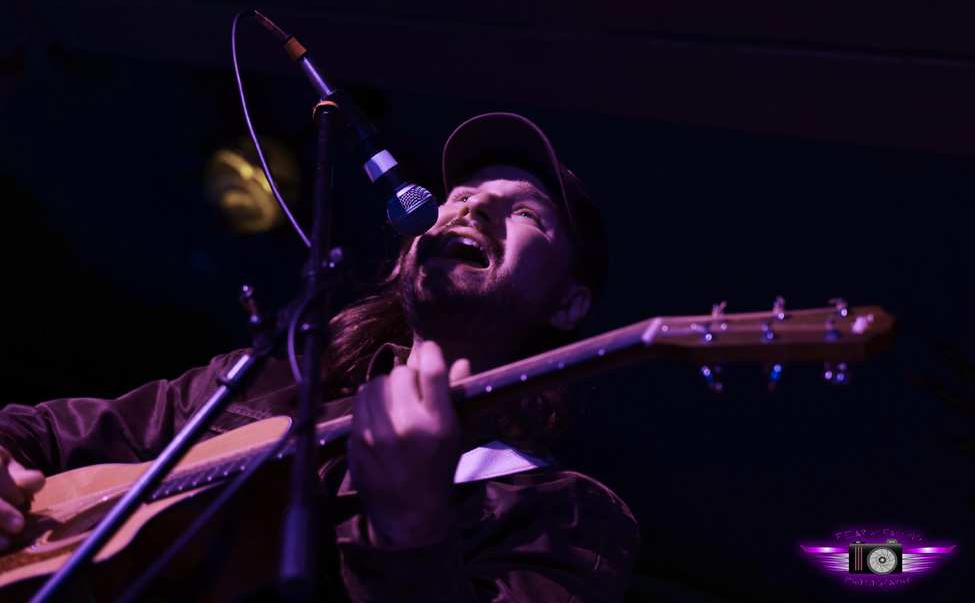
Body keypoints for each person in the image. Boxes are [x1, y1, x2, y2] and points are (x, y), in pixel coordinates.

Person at [0, 113, 640, 601]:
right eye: (459, 195)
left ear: (569, 304)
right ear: (403, 255)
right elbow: (47, 433)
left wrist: (411, 530)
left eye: (526, 211)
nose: (471, 205)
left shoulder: (565, 514)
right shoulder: (274, 379)